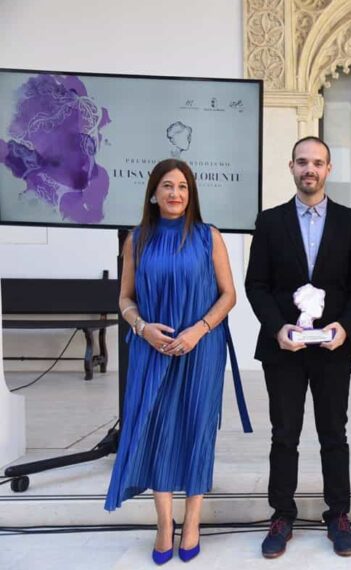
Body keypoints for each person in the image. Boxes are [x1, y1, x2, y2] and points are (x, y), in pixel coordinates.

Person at [106, 158, 251, 565]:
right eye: (168, 186)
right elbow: (125, 299)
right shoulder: (137, 239)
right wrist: (142, 328)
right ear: (153, 193)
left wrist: (198, 330)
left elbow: (228, 295)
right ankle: (164, 523)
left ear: (191, 194)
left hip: (201, 349)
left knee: (195, 427)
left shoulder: (209, 236)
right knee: (157, 429)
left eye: (183, 187)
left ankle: (192, 521)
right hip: (151, 350)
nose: (176, 193)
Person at [245, 136, 351, 559]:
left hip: (333, 348)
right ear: (291, 167)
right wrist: (277, 327)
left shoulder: (350, 222)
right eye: (302, 162)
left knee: (334, 433)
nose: (309, 169)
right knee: (284, 434)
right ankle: (282, 514)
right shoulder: (270, 221)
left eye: (317, 162)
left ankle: (339, 515)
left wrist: (345, 327)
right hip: (284, 348)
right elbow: (256, 284)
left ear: (328, 169)